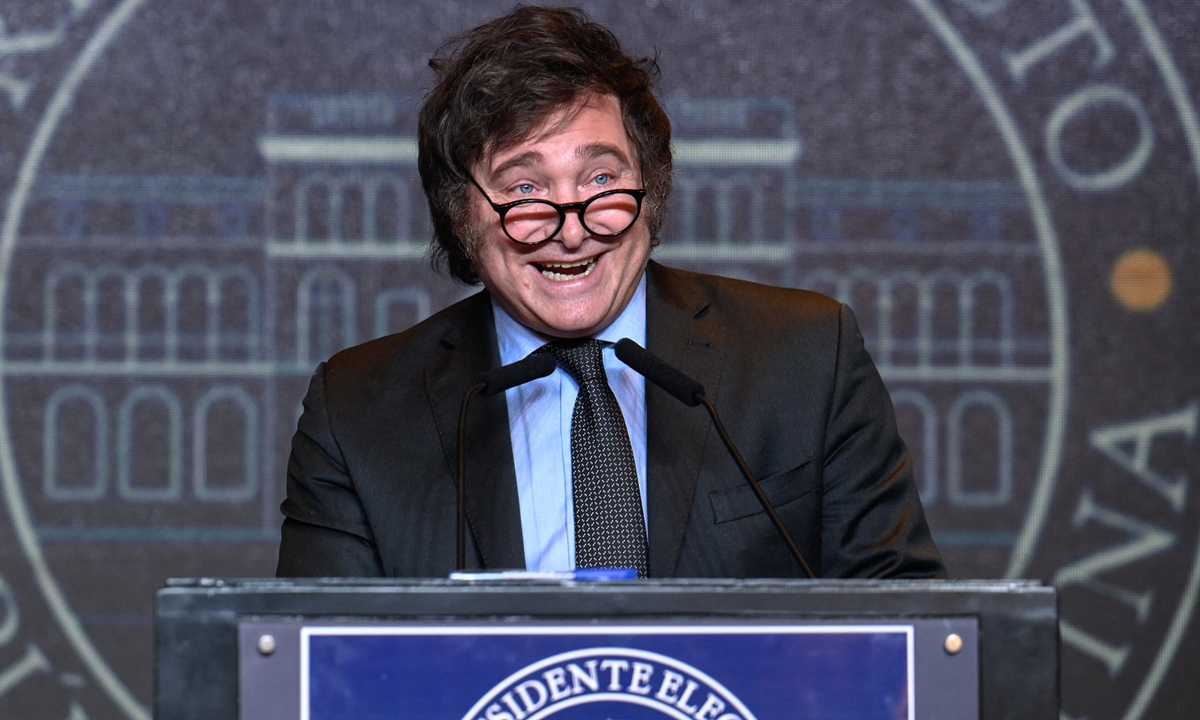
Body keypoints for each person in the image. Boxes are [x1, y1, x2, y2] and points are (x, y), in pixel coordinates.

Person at [276, 5, 944, 579]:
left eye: (601, 180)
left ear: (649, 193)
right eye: (524, 190)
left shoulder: (806, 359)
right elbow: (318, 668)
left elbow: (910, 633)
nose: (573, 230)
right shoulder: (357, 414)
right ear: (461, 216)